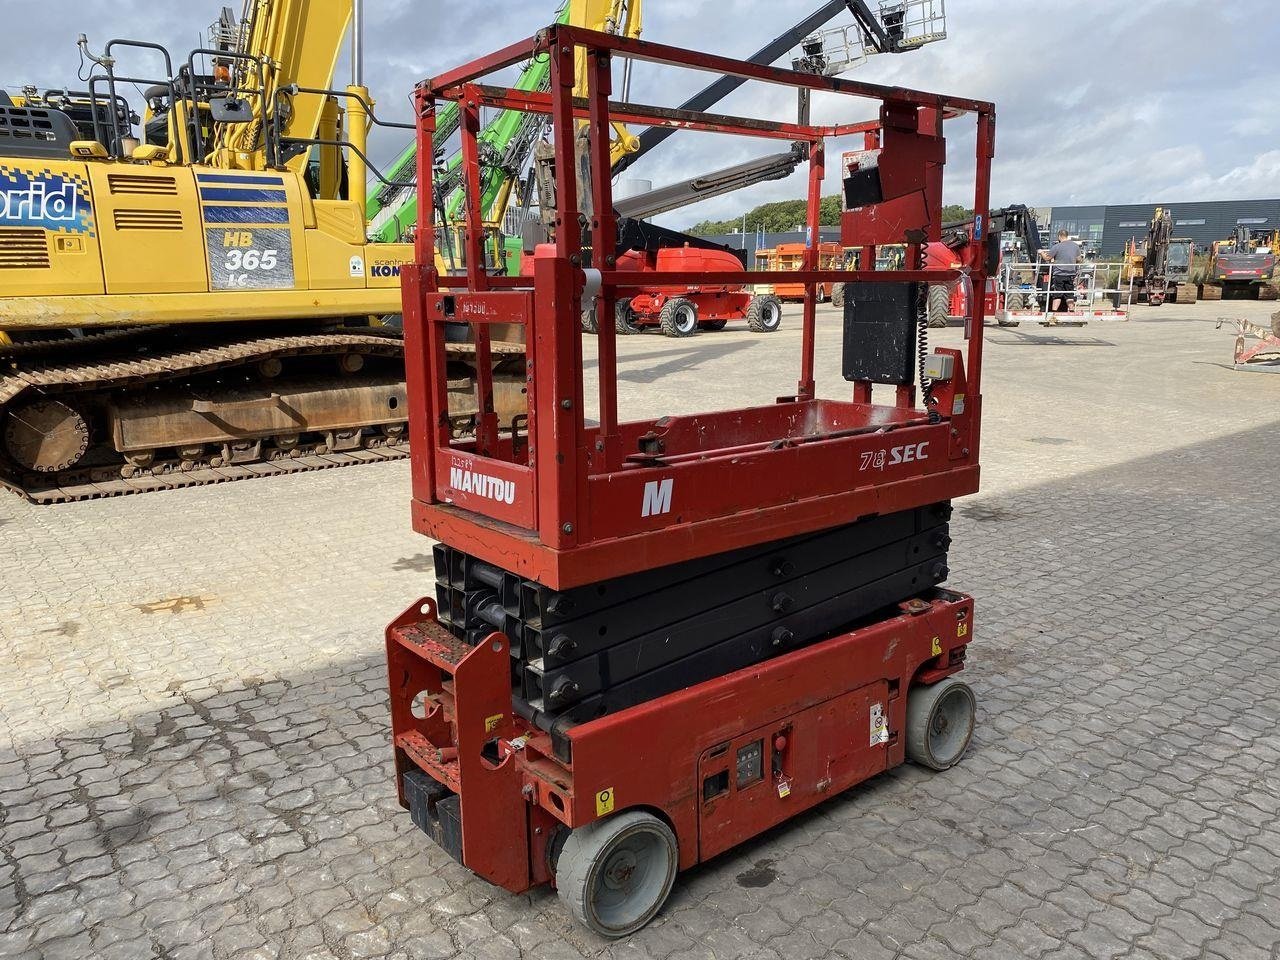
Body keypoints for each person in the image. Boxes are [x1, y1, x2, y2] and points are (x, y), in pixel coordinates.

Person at [1040, 230, 1081, 314]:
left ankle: (1053, 314)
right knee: (1069, 294)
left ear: (1059, 236)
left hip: (1059, 274)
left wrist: (1041, 252)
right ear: (1067, 236)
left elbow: (1047, 258)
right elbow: (1079, 259)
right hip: (1071, 274)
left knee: (1057, 294)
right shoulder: (1075, 246)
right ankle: (1072, 312)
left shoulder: (1057, 247)